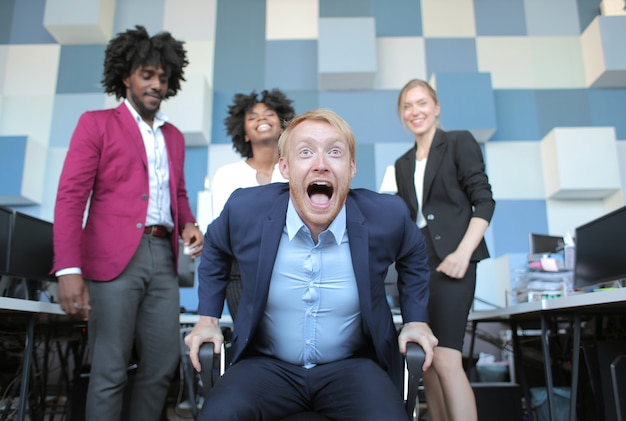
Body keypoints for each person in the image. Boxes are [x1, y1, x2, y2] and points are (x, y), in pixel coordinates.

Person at [184, 108, 439, 421]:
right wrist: (207, 317)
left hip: (352, 367)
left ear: (352, 167)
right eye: (305, 152)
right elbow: (215, 246)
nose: (321, 164)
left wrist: (416, 320)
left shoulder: (387, 215)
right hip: (266, 366)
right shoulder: (245, 208)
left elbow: (414, 251)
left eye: (335, 152)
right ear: (285, 167)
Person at [51, 25, 204, 421]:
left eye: (162, 78)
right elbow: (71, 196)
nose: (156, 84)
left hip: (163, 257)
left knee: (161, 366)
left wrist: (188, 223)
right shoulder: (96, 123)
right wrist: (69, 268)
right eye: (147, 75)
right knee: (110, 369)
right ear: (126, 77)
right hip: (111, 257)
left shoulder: (174, 137)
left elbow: (179, 194)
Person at [393, 79, 495, 421]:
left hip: (455, 262)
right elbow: (409, 220)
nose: (414, 111)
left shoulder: (458, 142)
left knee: (449, 358)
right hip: (419, 268)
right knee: (427, 361)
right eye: (407, 106)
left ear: (436, 107)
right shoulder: (402, 163)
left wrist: (463, 254)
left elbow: (484, 201)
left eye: (421, 103)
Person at [210, 89, 295, 318]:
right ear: (244, 133)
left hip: (294, 269)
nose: (261, 119)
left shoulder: (298, 171)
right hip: (241, 274)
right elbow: (223, 233)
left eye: (269, 114)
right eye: (252, 117)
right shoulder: (226, 175)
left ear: (283, 125)